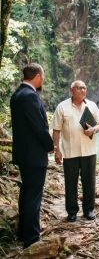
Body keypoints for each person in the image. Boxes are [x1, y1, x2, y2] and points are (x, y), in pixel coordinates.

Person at [10, 63, 54, 249]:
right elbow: (39, 126)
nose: (42, 80)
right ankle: (32, 238)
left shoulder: (17, 94)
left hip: (24, 153)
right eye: (42, 76)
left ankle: (24, 232)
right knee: (33, 195)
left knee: (27, 193)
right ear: (37, 76)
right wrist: (50, 145)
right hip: (34, 155)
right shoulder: (30, 96)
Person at [52, 80, 99, 222]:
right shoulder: (62, 107)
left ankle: (89, 210)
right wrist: (57, 149)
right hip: (69, 151)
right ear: (71, 90)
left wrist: (94, 129)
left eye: (84, 88)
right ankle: (72, 211)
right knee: (70, 183)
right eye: (79, 88)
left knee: (89, 182)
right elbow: (56, 130)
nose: (82, 90)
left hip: (89, 151)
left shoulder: (91, 105)